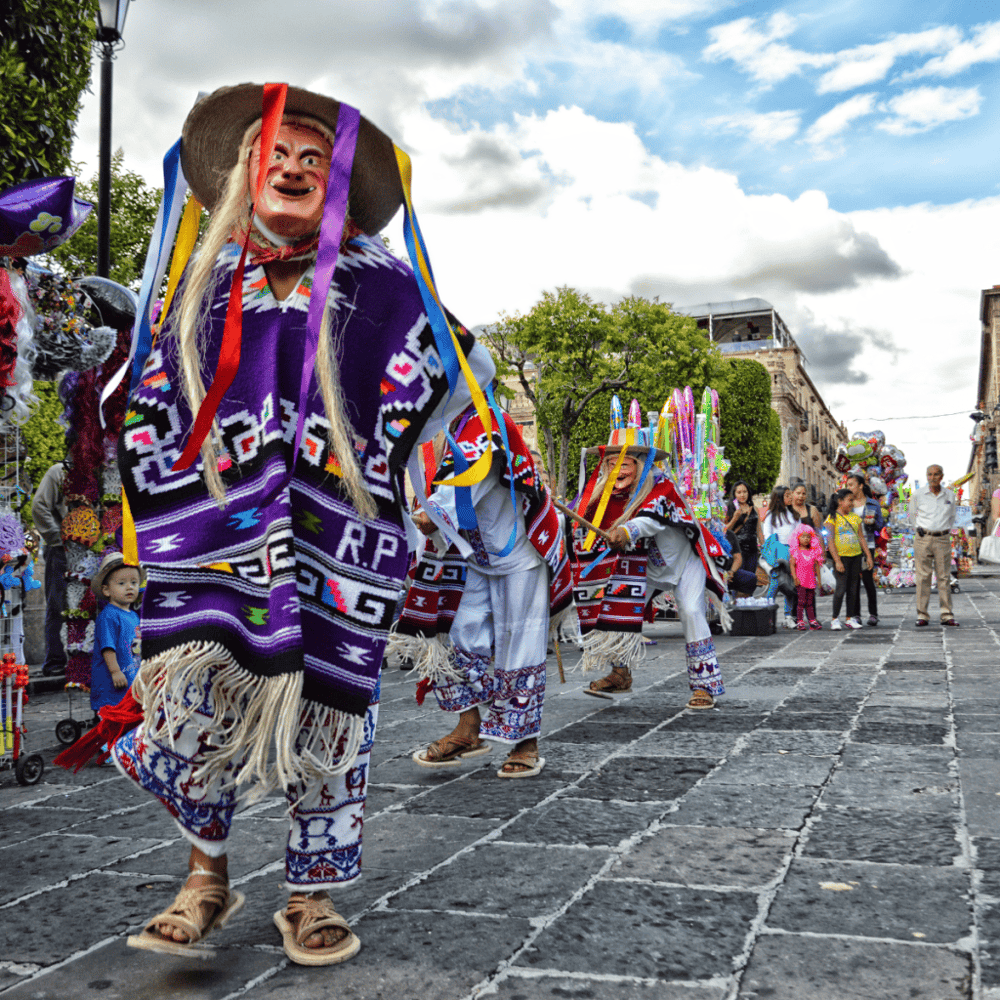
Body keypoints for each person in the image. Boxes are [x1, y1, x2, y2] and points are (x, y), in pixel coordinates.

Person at [106, 83, 494, 965]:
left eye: (313, 160)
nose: (292, 167)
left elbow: (458, 371)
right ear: (247, 174)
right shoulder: (205, 286)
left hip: (336, 545)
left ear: (338, 185)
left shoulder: (384, 287)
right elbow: (153, 400)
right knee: (200, 699)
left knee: (328, 716)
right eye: (275, 154)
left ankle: (310, 892)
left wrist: (394, 443)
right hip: (219, 544)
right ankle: (206, 875)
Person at [410, 404, 569, 778]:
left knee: (520, 642)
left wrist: (428, 516)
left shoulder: (488, 422)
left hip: (520, 555)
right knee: (452, 633)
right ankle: (469, 728)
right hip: (475, 554)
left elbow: (468, 485)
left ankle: (526, 744)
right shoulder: (450, 429)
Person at [571, 399, 728, 708]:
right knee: (615, 609)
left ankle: (704, 685)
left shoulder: (661, 486)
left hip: (683, 564)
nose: (615, 470)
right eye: (610, 463)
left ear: (639, 464)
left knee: (691, 612)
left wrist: (626, 531)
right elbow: (581, 522)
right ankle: (620, 674)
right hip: (643, 569)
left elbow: (650, 519)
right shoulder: (602, 496)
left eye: (623, 463)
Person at [90, 552, 143, 714]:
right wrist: (115, 671)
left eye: (134, 582)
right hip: (111, 686)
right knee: (113, 719)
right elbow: (108, 647)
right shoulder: (108, 615)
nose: (129, 587)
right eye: (121, 583)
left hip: (130, 681)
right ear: (106, 590)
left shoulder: (133, 615)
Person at [909, 465, 958, 627]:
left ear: (942, 476)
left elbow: (952, 516)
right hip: (923, 538)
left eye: (936, 474)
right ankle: (922, 615)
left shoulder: (949, 495)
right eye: (929, 474)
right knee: (923, 577)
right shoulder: (918, 495)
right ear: (926, 476)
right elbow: (912, 515)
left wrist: (944, 530)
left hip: (942, 538)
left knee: (944, 577)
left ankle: (946, 614)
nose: (932, 477)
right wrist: (919, 529)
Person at [31, 462, 67, 676]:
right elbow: (39, 506)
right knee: (58, 603)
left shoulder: (102, 470)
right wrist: (58, 539)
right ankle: (55, 661)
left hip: (94, 550)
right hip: (62, 550)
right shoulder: (59, 472)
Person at [826, 488, 873, 630]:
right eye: (850, 500)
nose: (852, 503)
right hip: (842, 557)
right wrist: (837, 560)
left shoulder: (855, 518)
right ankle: (835, 619)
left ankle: (850, 618)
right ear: (840, 502)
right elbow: (830, 541)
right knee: (841, 589)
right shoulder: (831, 519)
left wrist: (868, 556)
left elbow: (861, 537)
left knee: (853, 589)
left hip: (856, 556)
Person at [846, 473, 885, 626]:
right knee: (853, 582)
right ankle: (855, 614)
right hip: (850, 545)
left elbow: (880, 525)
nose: (849, 487)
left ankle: (873, 614)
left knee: (868, 580)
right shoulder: (846, 503)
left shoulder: (873, 504)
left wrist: (873, 523)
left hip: (868, 544)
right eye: (847, 485)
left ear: (860, 485)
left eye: (851, 484)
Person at [758, 485, 797, 627]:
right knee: (775, 584)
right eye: (787, 495)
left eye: (790, 494)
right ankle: (767, 614)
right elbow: (768, 536)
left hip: (792, 553)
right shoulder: (771, 516)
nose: (790, 497)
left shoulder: (793, 514)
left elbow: (797, 532)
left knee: (790, 585)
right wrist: (777, 553)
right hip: (778, 554)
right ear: (779, 498)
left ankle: (788, 616)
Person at [788, 522, 824, 630]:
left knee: (810, 602)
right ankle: (800, 620)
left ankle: (812, 620)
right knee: (801, 601)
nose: (806, 539)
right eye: (803, 536)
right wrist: (794, 577)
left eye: (808, 537)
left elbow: (817, 567)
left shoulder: (813, 552)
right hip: (801, 581)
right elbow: (792, 565)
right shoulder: (796, 552)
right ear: (797, 538)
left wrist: (819, 580)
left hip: (811, 580)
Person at [724, 480, 758, 595]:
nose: (742, 495)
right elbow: (725, 531)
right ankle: (735, 609)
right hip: (738, 550)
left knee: (750, 582)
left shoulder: (753, 508)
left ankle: (747, 608)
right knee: (737, 583)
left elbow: (759, 530)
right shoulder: (729, 509)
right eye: (739, 492)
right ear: (734, 494)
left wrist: (763, 545)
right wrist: (734, 518)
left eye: (745, 492)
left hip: (753, 550)